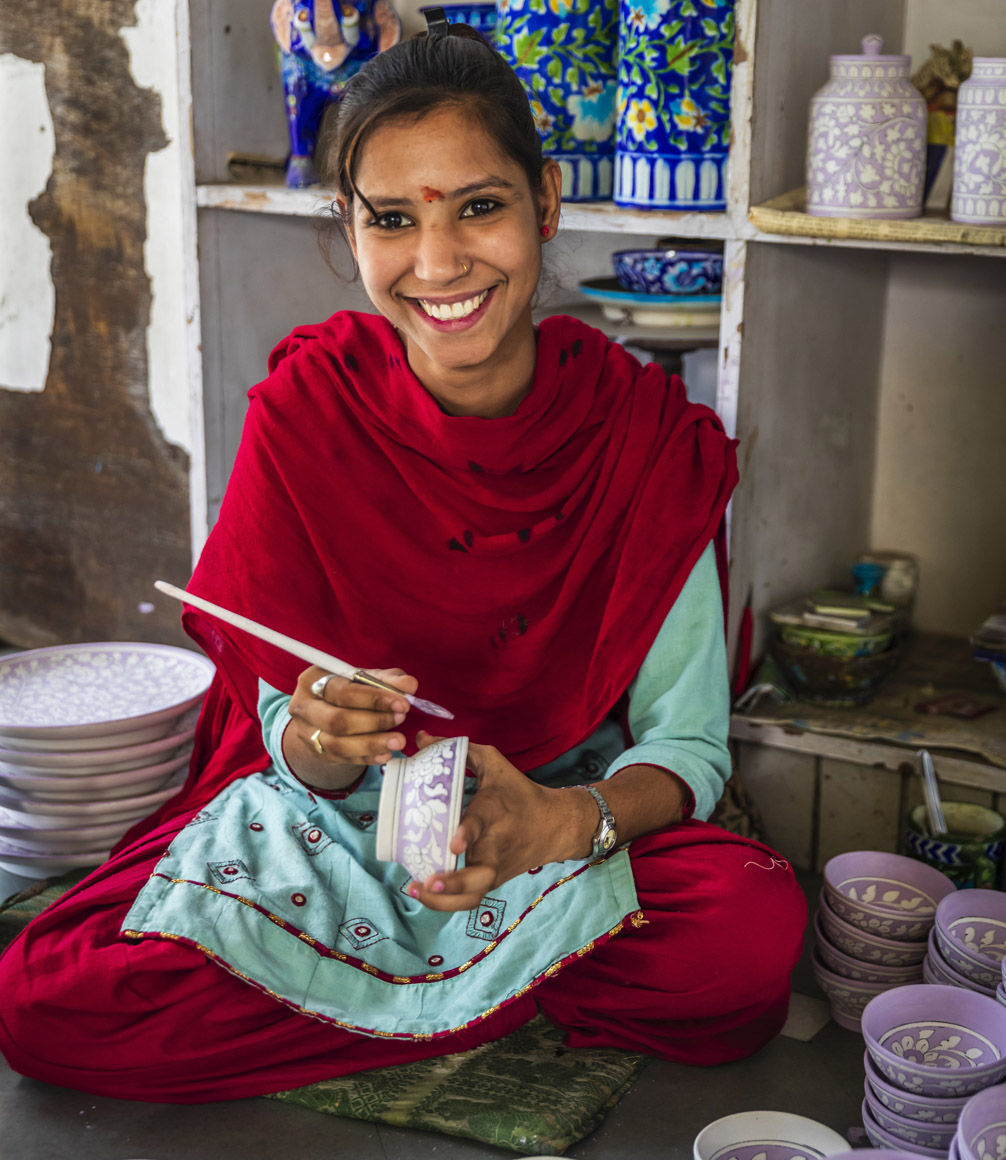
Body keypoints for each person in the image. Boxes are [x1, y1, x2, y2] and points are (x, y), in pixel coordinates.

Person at [0, 20, 805, 1103]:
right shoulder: (308, 409)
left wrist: (560, 822)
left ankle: (356, 986)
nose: (439, 265)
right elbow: (280, 732)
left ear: (546, 202)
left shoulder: (639, 431)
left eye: (479, 204)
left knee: (745, 933)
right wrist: (324, 742)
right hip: (335, 843)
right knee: (49, 1000)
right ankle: (481, 988)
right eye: (391, 219)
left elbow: (688, 744)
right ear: (348, 225)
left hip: (551, 840)